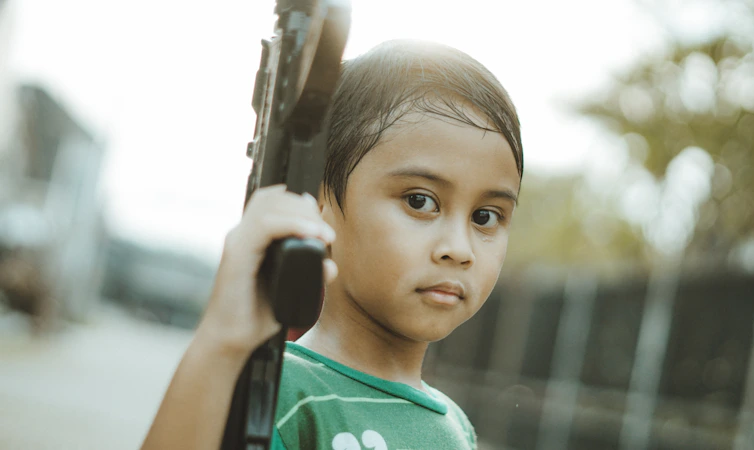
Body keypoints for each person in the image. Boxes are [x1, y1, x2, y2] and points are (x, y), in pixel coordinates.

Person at [141, 39, 523, 450]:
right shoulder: (281, 394)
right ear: (319, 201)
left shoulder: (456, 426)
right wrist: (222, 341)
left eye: (485, 217)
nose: (459, 249)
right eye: (420, 201)